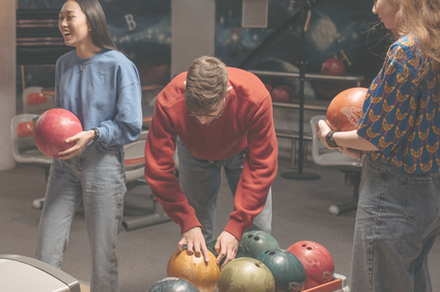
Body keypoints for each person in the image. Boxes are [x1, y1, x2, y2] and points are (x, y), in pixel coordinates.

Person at [317, 0, 440, 291]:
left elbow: (374, 136)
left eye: (377, 0)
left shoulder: (406, 51)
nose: (373, 9)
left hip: (394, 193)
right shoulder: (433, 46)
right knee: (411, 278)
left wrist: (329, 138)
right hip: (430, 188)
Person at [35, 0, 142, 291]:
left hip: (103, 164)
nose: (63, 24)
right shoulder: (63, 64)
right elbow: (62, 117)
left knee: (102, 257)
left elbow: (131, 125)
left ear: (91, 21)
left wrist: (94, 133)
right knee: (45, 251)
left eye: (70, 17)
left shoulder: (120, 65)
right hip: (64, 165)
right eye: (60, 18)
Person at [144, 56, 277, 268]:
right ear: (186, 90)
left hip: (243, 152)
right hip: (194, 153)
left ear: (227, 94)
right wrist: (186, 221)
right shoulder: (169, 101)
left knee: (259, 235)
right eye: (195, 115)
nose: (204, 122)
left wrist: (237, 225)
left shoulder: (255, 96)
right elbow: (157, 170)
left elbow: (263, 165)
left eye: (212, 115)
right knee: (197, 237)